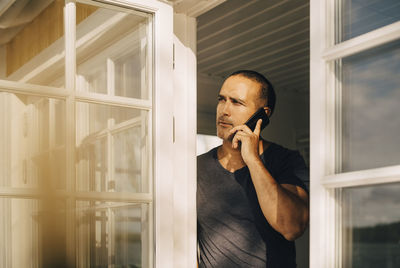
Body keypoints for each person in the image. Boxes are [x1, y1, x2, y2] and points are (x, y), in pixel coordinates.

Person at [197, 70, 309, 267]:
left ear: (263, 115)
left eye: (236, 102)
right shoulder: (196, 167)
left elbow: (292, 228)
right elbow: (182, 238)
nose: (224, 110)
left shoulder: (286, 160)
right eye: (221, 99)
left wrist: (253, 160)